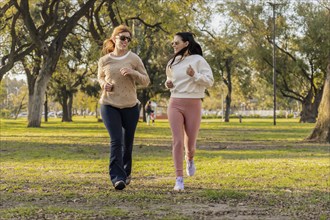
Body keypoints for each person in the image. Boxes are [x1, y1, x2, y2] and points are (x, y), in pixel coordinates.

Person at [98, 24, 150, 190]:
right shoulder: (104, 60)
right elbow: (100, 78)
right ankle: (117, 178)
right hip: (109, 104)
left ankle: (126, 172)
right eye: (122, 38)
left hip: (130, 105)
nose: (125, 41)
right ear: (114, 39)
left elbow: (146, 81)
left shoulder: (134, 59)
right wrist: (104, 84)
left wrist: (133, 72)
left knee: (127, 143)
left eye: (128, 38)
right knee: (116, 140)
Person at [165, 32, 214, 191]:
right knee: (177, 141)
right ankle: (179, 178)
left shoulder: (199, 60)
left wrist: (195, 75)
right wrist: (168, 84)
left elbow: (210, 81)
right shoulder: (172, 62)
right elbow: (168, 79)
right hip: (175, 102)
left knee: (190, 145)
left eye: (176, 42)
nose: (173, 45)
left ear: (186, 43)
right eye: (173, 43)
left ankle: (190, 158)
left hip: (193, 103)